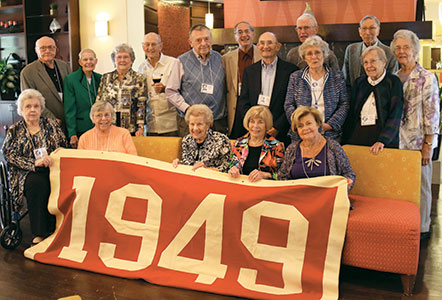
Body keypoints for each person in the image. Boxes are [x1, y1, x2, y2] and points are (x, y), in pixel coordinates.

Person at [391, 29, 440, 239]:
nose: (402, 51)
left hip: (418, 142)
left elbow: (433, 113)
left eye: (406, 47)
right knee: (400, 186)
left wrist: (429, 143)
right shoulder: (392, 77)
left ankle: (422, 229)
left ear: (415, 50)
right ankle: (404, 225)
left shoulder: (427, 78)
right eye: (398, 48)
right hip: (396, 141)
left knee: (421, 187)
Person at [1, 89, 67, 244]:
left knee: (59, 183)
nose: (32, 110)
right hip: (26, 172)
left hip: (53, 168)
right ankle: (40, 232)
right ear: (21, 110)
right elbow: (9, 154)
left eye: (36, 106)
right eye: (28, 106)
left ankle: (59, 229)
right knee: (38, 184)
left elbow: (64, 146)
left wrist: (59, 151)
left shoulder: (51, 124)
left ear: (41, 108)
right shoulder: (15, 130)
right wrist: (33, 163)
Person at [235, 32, 298, 146]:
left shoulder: (290, 71)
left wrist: (277, 127)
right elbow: (243, 101)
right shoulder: (250, 71)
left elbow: (292, 103)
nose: (265, 47)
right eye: (262, 43)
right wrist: (252, 125)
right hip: (254, 131)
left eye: (270, 43)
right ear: (258, 46)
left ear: (278, 46)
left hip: (280, 133)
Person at [166, 24, 227, 137]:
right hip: (192, 123)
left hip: (217, 121)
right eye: (198, 40)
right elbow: (170, 91)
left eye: (206, 39)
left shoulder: (220, 58)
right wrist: (187, 108)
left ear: (211, 39)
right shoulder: (181, 61)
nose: (203, 43)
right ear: (190, 42)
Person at [284, 35, 349, 140]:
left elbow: (344, 104)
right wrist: (301, 125)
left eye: (317, 52)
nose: (314, 57)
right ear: (304, 57)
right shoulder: (295, 77)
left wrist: (329, 125)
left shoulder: (337, 77)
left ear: (324, 55)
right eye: (309, 54)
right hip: (302, 135)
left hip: (330, 135)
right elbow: (289, 105)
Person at [342, 46, 403, 154]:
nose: (369, 66)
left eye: (373, 61)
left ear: (384, 62)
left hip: (382, 138)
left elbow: (396, 113)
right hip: (358, 134)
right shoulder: (359, 82)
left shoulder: (393, 82)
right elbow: (351, 113)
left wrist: (383, 140)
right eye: (365, 62)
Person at [278, 106, 356, 189]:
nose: (305, 128)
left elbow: (349, 174)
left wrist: (348, 182)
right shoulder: (292, 149)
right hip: (298, 198)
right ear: (296, 130)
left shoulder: (333, 147)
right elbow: (282, 177)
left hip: (327, 199)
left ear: (318, 124)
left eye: (309, 123)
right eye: (300, 126)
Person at [96, 43, 148, 136]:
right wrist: (98, 122)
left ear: (131, 60)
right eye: (119, 57)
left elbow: (141, 105)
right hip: (108, 125)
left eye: (126, 57)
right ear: (114, 60)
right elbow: (99, 102)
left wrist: (140, 127)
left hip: (130, 128)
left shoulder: (139, 78)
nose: (122, 60)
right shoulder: (106, 78)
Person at [20, 36, 71, 129]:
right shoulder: (28, 72)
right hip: (45, 123)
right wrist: (51, 118)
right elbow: (30, 100)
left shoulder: (64, 66)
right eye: (43, 48)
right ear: (36, 50)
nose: (47, 51)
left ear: (56, 49)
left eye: (51, 47)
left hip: (68, 119)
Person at [222, 21, 262, 136]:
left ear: (253, 33)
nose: (244, 35)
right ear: (235, 36)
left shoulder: (262, 55)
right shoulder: (226, 59)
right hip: (235, 109)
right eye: (239, 32)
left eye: (247, 31)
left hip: (256, 106)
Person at [228, 106, 284, 182]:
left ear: (266, 125)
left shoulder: (277, 146)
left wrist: (265, 175)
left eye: (260, 122)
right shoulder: (238, 144)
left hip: (265, 189)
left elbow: (282, 175)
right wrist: (231, 170)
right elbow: (229, 166)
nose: (255, 126)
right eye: (252, 121)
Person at [138, 32, 178, 136]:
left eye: (154, 44)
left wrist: (165, 89)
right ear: (143, 47)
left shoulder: (173, 63)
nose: (150, 48)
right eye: (147, 44)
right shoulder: (141, 68)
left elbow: (182, 90)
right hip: (151, 126)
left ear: (161, 46)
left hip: (171, 124)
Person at [342, 15, 398, 88]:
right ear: (359, 31)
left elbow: (392, 83)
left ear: (378, 30)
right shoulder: (351, 50)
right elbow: (345, 80)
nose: (367, 32)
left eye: (372, 28)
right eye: (364, 28)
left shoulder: (389, 53)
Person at [172, 104, 231, 172]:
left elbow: (230, 166)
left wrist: (209, 170)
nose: (195, 128)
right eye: (192, 124)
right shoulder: (187, 140)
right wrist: (180, 164)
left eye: (199, 124)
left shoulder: (221, 140)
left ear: (207, 125)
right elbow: (187, 163)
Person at [63, 49, 102, 148]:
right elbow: (69, 108)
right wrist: (72, 133)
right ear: (80, 62)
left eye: (91, 59)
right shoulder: (71, 79)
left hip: (99, 126)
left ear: (96, 61)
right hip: (81, 127)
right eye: (85, 60)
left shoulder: (101, 78)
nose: (88, 62)